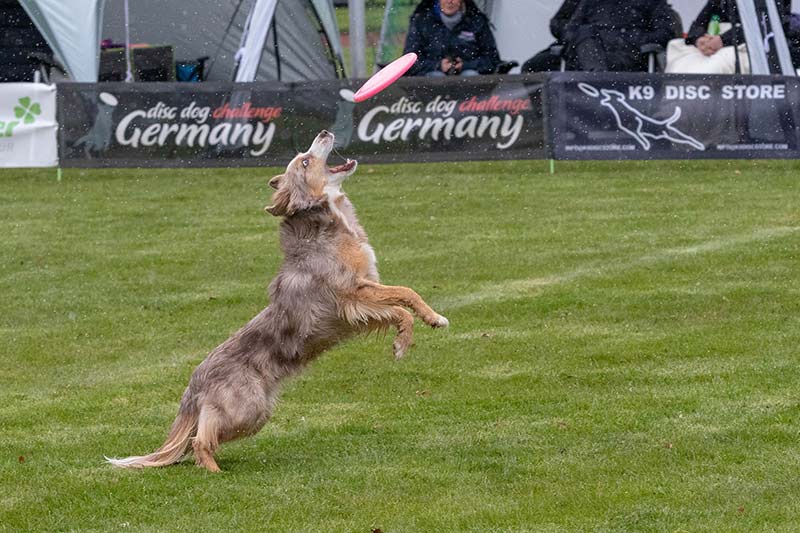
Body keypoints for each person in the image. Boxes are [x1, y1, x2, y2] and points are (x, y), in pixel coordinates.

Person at [667, 0, 791, 74]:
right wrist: (699, 39)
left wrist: (723, 40)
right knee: (680, 62)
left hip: (748, 44)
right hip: (712, 44)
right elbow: (699, 22)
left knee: (713, 68)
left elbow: (765, 24)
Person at [559, 0, 676, 72]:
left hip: (630, 55)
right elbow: (570, 29)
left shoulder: (652, 1)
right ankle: (598, 78)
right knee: (583, 33)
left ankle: (598, 81)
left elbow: (666, 33)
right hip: (591, 53)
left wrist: (634, 38)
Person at [403, 0, 500, 77]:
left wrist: (465, 65)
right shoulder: (421, 21)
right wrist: (438, 66)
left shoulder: (477, 21)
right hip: (431, 88)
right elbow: (409, 60)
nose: (449, 1)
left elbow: (492, 60)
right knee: (437, 77)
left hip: (469, 88)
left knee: (470, 76)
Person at [521, 0, 580, 73]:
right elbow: (556, 23)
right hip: (569, 48)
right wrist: (571, 30)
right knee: (531, 67)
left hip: (587, 52)